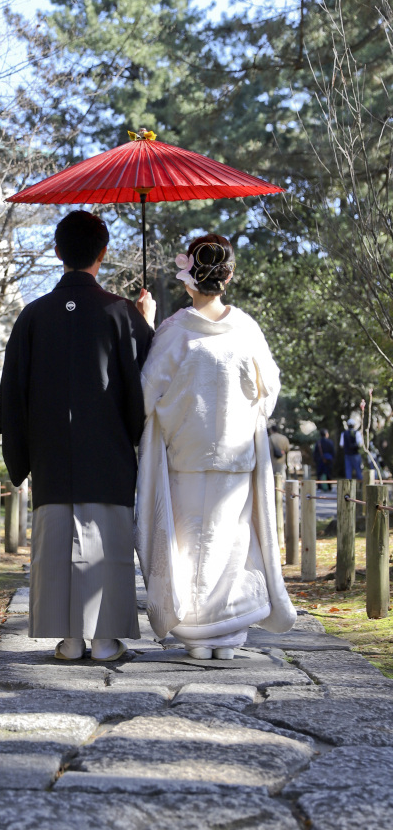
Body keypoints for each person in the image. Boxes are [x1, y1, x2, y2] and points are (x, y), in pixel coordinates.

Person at [0, 210, 155, 662]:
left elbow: (13, 396)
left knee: (56, 545)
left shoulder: (33, 315)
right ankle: (104, 640)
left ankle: (68, 639)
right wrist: (147, 322)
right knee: (110, 546)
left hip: (52, 457)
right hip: (108, 456)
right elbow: (151, 385)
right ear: (103, 253)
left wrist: (23, 455)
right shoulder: (123, 314)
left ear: (57, 251)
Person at [136, 233, 296, 660]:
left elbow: (147, 392)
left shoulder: (174, 331)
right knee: (229, 546)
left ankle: (196, 632)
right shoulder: (246, 329)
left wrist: (146, 328)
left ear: (189, 279)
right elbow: (269, 391)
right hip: (235, 454)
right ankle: (225, 636)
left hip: (187, 454)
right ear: (229, 275)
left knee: (187, 545)